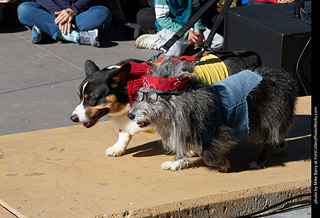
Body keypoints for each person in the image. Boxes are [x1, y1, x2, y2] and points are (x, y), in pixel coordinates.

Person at [135, 0, 223, 57]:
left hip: (190, 27)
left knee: (219, 41)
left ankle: (192, 42)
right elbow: (162, 19)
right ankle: (156, 41)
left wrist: (197, 30)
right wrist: (186, 33)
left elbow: (197, 12)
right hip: (170, 29)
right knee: (174, 52)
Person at [17, 0, 112, 47]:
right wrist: (60, 15)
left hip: (81, 15)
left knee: (103, 13)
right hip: (52, 14)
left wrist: (73, 10)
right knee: (24, 9)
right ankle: (75, 36)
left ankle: (48, 31)